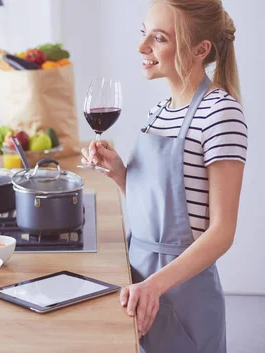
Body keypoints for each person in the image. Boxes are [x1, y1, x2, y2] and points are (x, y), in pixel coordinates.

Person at [80, 1, 247, 352]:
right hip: (138, 283)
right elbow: (157, 209)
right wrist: (119, 173)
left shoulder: (220, 112)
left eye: (158, 38)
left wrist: (155, 286)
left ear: (200, 50)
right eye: (145, 34)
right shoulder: (159, 112)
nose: (142, 48)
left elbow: (221, 232)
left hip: (182, 295)